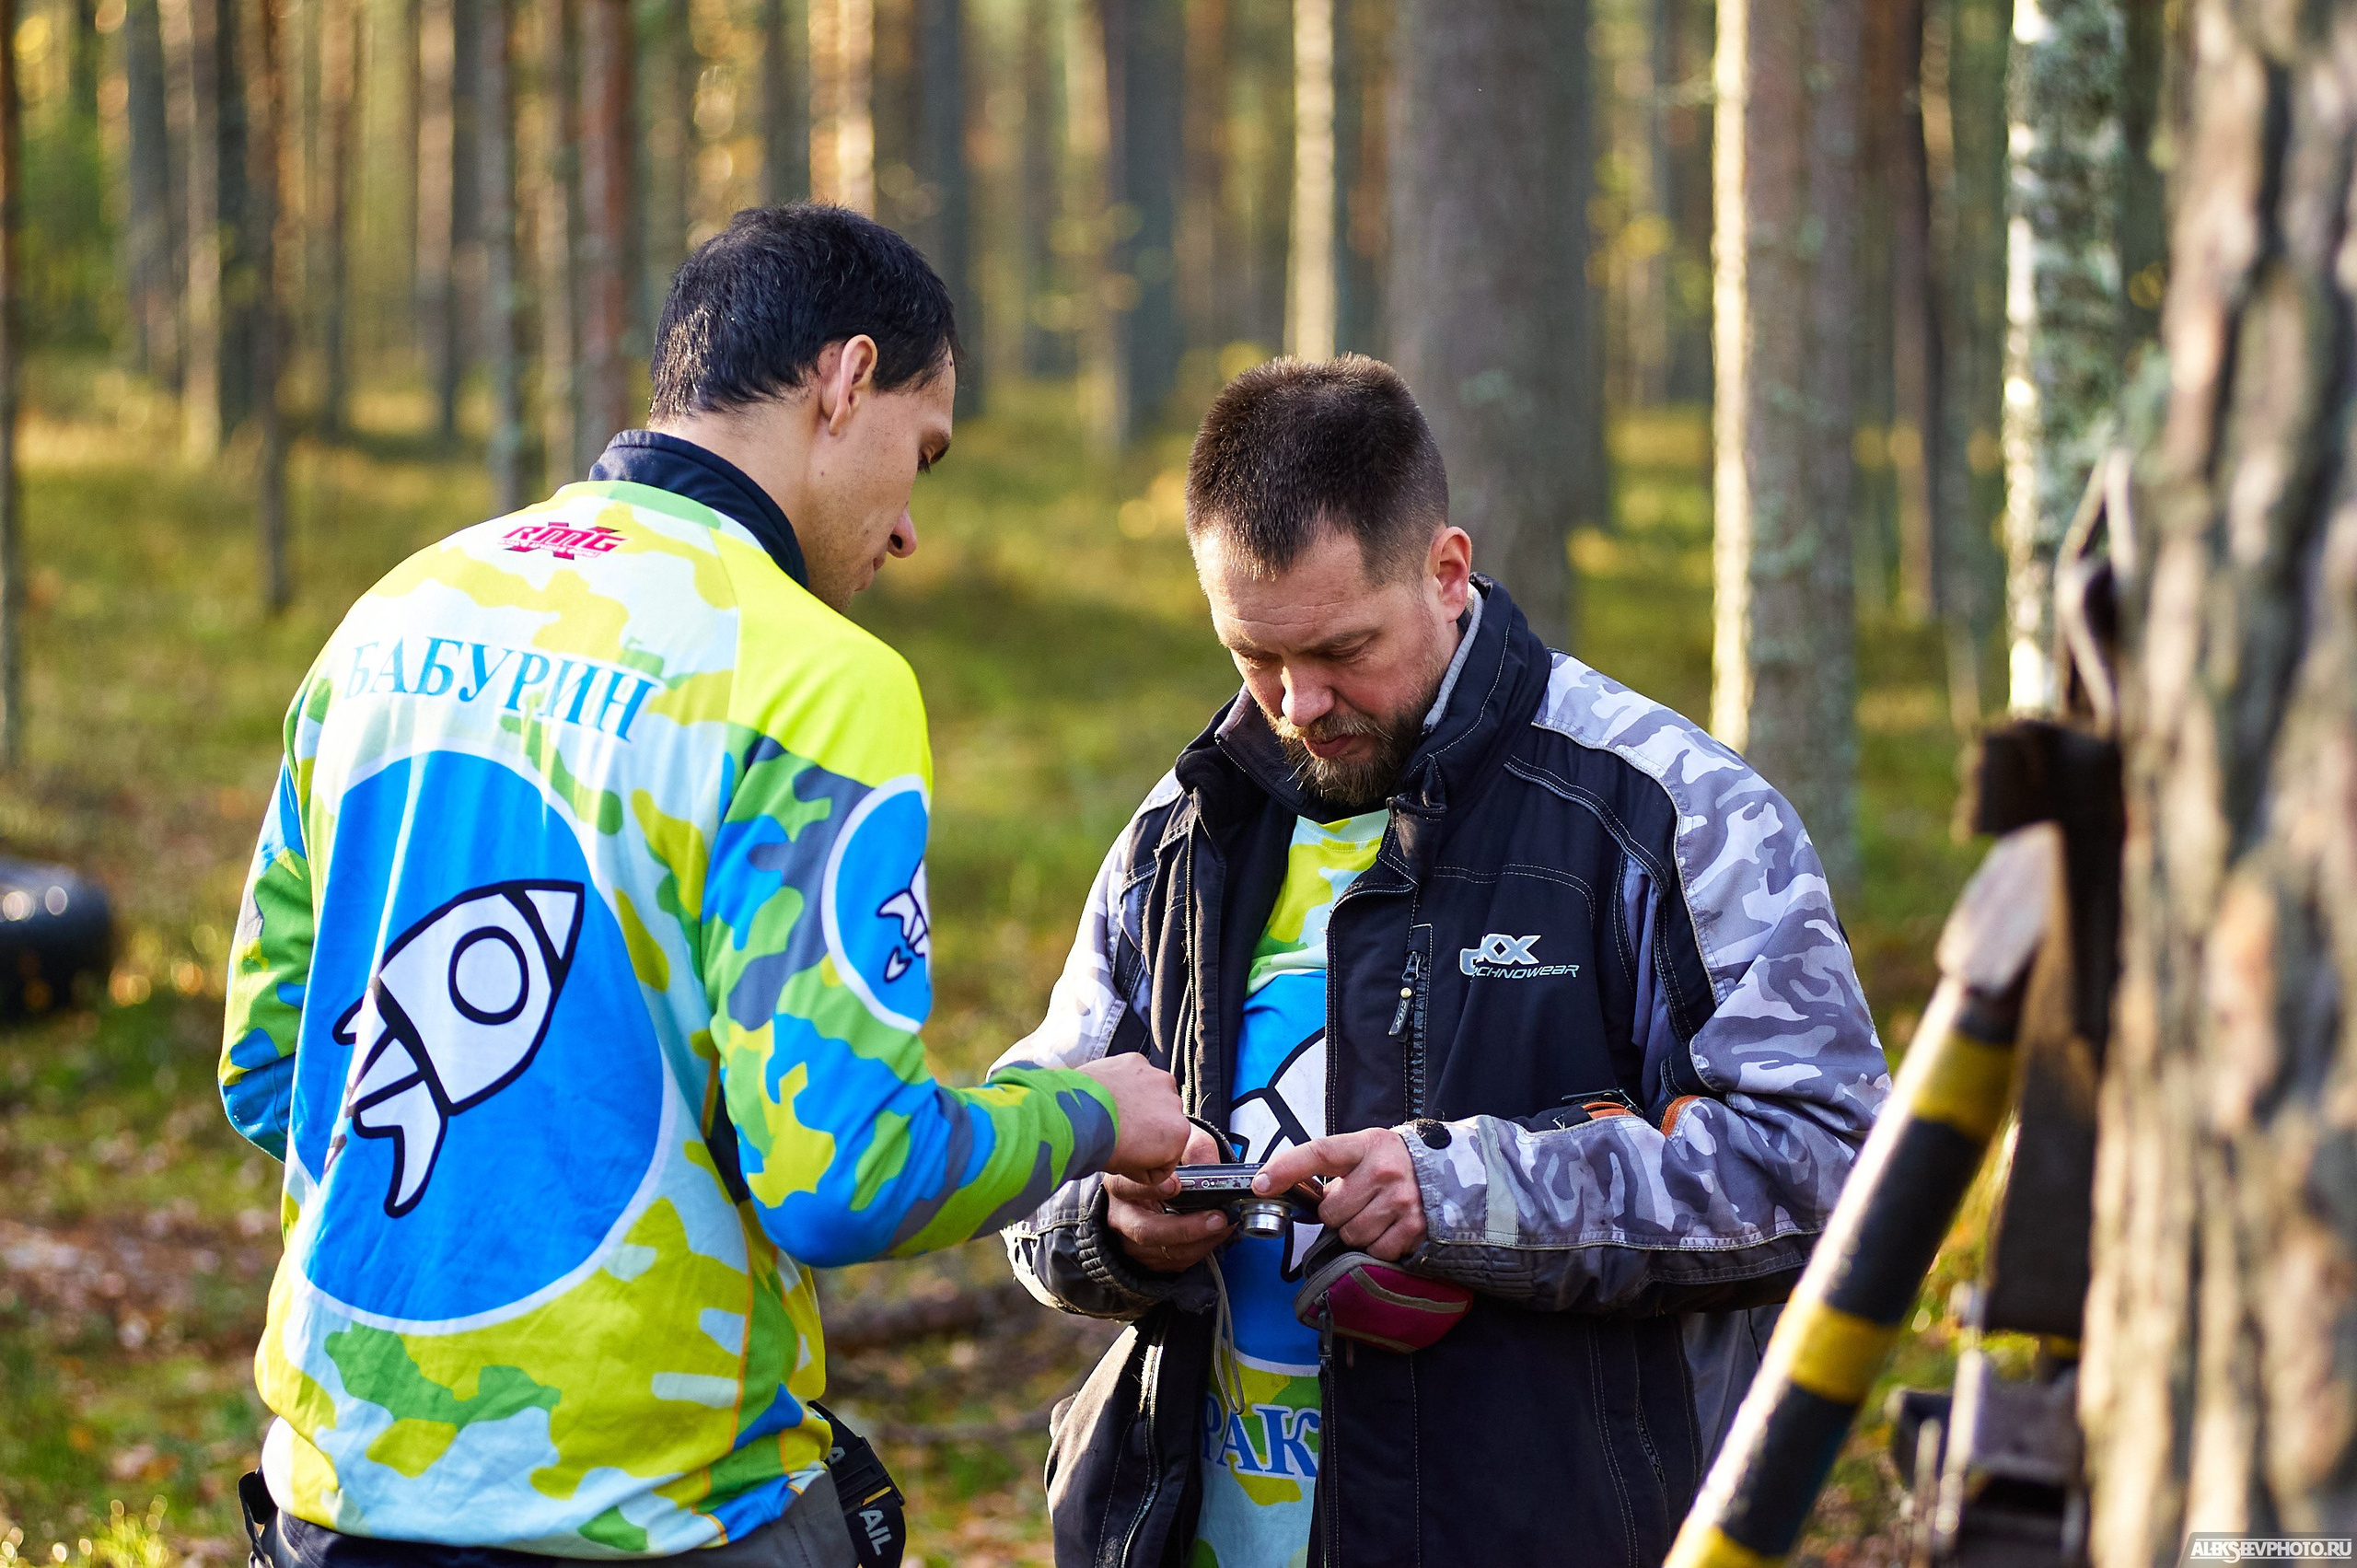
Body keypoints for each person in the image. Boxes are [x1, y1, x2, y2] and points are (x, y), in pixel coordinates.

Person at [216, 204, 1188, 1564]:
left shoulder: (398, 611)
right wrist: (1087, 1112)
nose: (909, 528)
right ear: (845, 381)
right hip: (666, 1510)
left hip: (336, 1501)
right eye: (922, 454)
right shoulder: (810, 679)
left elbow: (271, 1071)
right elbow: (846, 1176)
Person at [998, 356, 1890, 1568]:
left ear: (1447, 569)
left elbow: (1838, 1164)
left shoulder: (1665, 810)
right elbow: (1024, 1148)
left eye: (1341, 649)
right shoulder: (1182, 833)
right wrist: (1107, 1215)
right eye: (1253, 658)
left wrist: (1472, 1195)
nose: (1298, 704)